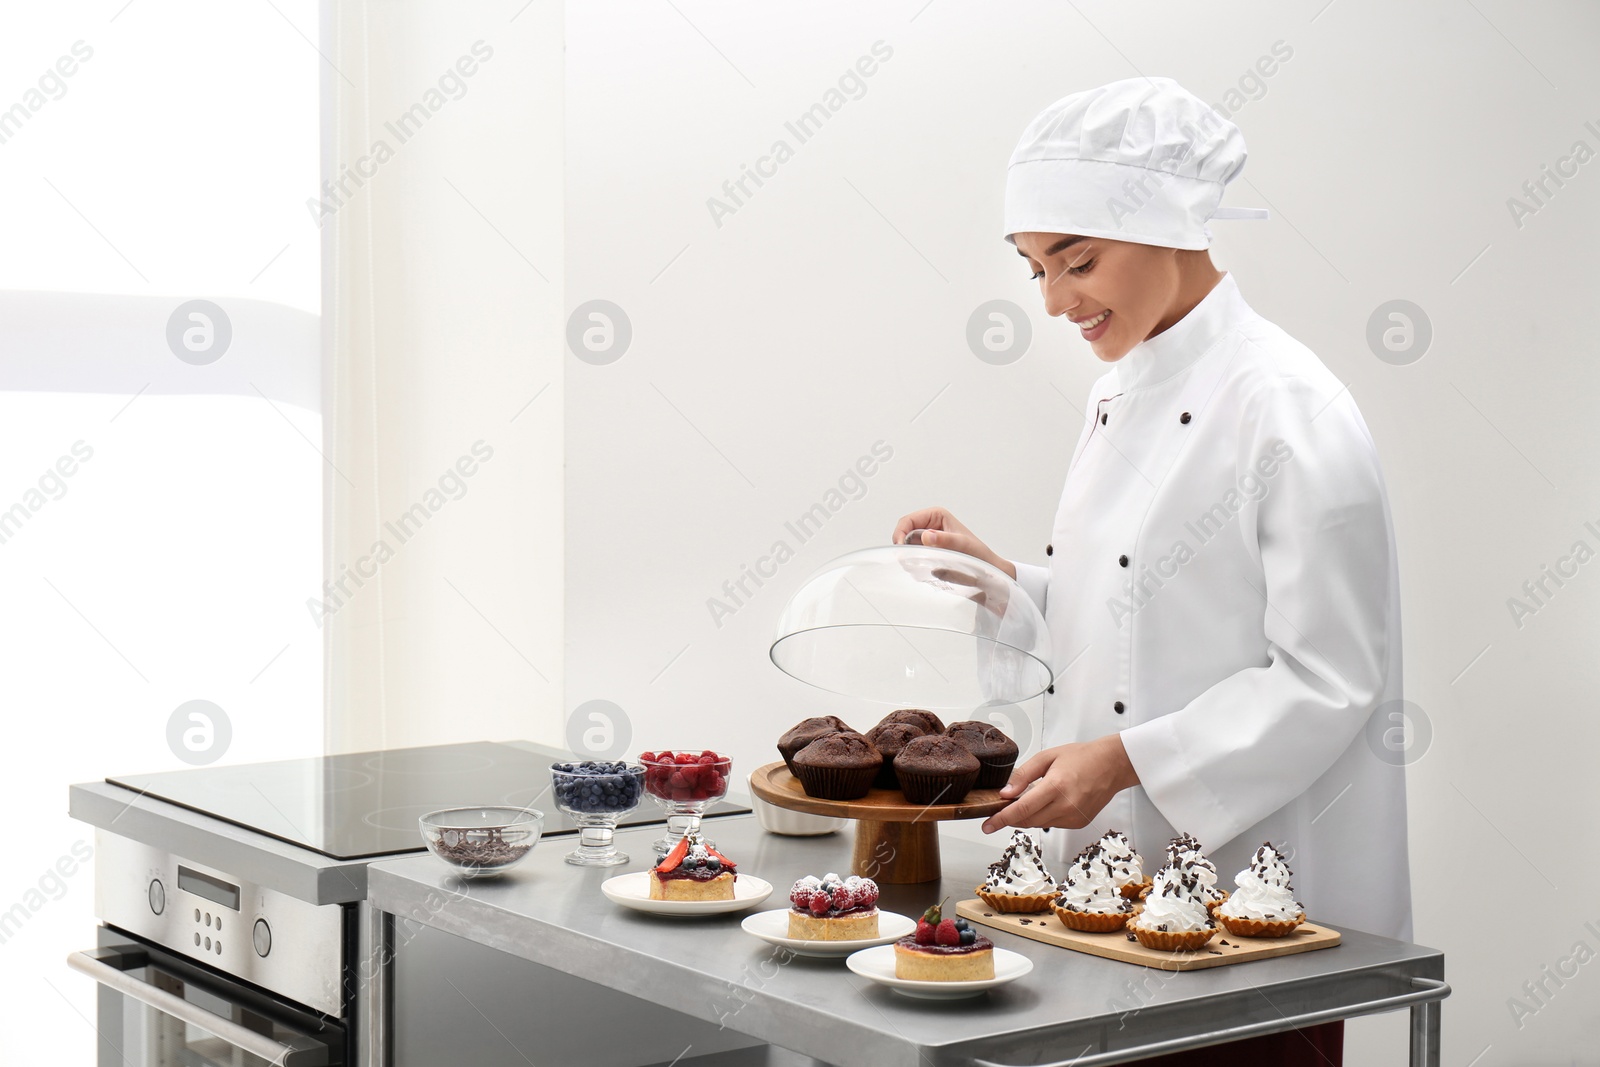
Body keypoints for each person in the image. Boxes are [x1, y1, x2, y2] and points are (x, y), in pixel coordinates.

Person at [892, 77, 1410, 1067]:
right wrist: (1001, 579)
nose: (1052, 302)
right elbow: (1128, 613)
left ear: (1172, 223)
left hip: (1252, 919)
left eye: (1076, 261)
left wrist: (1125, 758)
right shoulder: (1117, 393)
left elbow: (1329, 677)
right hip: (1107, 903)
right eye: (1034, 268)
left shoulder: (1288, 405)